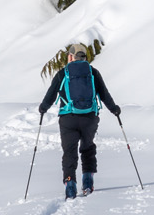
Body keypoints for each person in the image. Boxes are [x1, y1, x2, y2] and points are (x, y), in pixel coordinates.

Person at [38, 44, 121, 198]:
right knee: (88, 148)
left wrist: (43, 108)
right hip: (90, 118)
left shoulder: (63, 73)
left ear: (71, 56)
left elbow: (51, 95)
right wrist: (114, 109)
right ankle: (88, 182)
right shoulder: (93, 73)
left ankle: (70, 185)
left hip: (68, 118)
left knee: (69, 152)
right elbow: (104, 94)